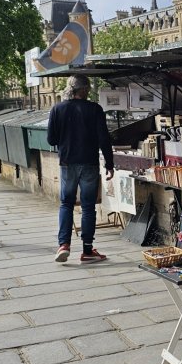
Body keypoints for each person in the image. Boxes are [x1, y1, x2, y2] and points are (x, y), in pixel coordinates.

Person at [46, 74, 113, 263]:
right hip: (89, 163)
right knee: (88, 206)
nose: (89, 91)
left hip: (67, 163)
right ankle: (87, 250)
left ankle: (64, 245)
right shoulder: (95, 109)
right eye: (88, 88)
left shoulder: (57, 109)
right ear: (82, 89)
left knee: (66, 203)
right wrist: (109, 164)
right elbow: (103, 139)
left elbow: (51, 139)